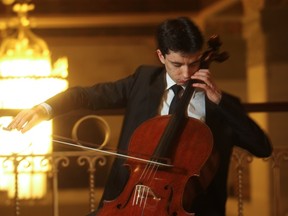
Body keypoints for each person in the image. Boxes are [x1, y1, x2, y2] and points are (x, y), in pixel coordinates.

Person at [6, 17, 272, 215]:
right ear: (161, 56)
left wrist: (221, 101)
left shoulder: (220, 104)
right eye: (177, 65)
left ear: (202, 57)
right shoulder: (143, 81)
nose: (187, 74)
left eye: (194, 63)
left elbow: (262, 146)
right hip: (129, 201)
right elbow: (86, 95)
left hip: (191, 210)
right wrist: (44, 108)